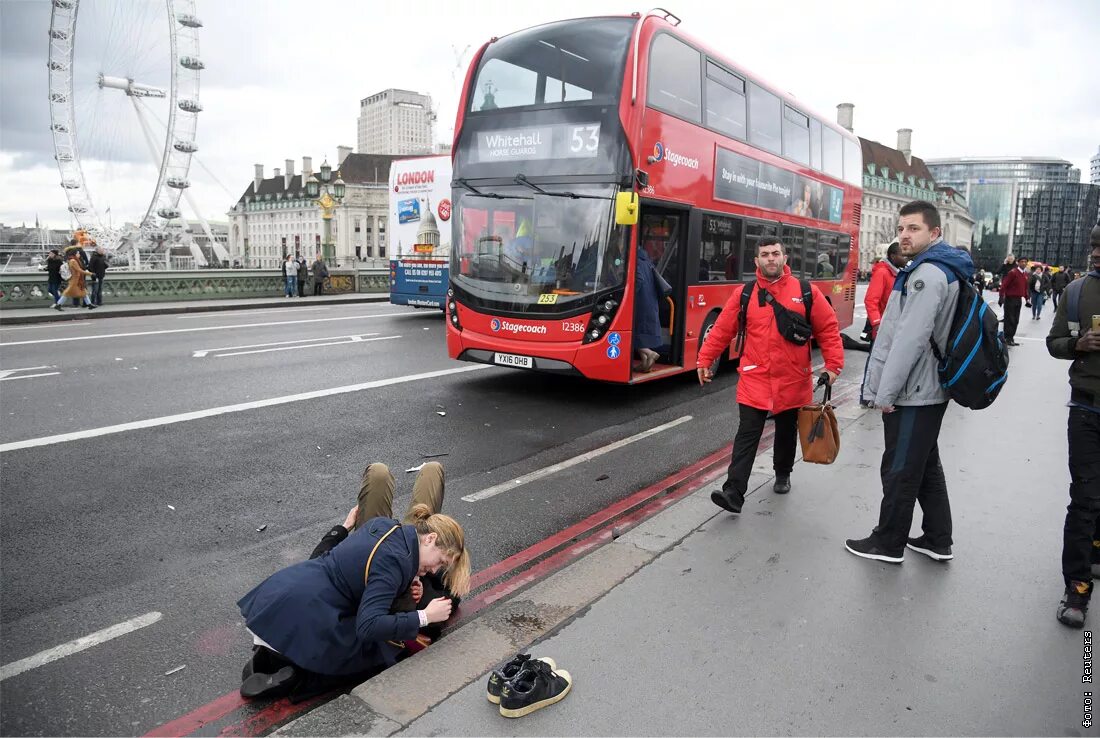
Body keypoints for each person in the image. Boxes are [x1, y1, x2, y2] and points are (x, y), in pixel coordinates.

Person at [237, 461, 470, 700]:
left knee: (384, 472)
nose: (434, 569)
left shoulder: (382, 526)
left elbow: (322, 559)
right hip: (316, 618)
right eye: (440, 561)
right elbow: (368, 626)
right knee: (380, 652)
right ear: (430, 539)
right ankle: (299, 677)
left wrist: (342, 528)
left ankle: (267, 656)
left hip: (281, 598)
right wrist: (426, 616)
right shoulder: (395, 564)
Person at [848, 200, 973, 563]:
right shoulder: (938, 269)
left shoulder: (927, 275)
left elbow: (908, 339)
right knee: (924, 463)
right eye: (901, 228)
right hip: (928, 388)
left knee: (900, 467)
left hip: (914, 390)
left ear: (934, 232)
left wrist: (883, 393)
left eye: (913, 228)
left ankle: (887, 542)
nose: (904, 234)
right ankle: (937, 537)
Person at [698, 236, 843, 512]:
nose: (771, 259)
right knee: (747, 434)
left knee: (786, 432)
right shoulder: (745, 294)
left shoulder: (805, 291)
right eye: (765, 254)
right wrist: (705, 358)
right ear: (757, 261)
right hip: (755, 379)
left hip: (793, 378)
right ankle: (734, 493)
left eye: (776, 253)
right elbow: (722, 330)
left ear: (785, 258)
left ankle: (783, 472)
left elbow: (828, 329)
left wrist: (833, 365)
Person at [1046, 225, 1100, 628]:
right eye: (1094, 244)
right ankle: (1077, 590)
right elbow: (1054, 342)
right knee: (1084, 499)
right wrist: (1075, 345)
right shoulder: (1077, 292)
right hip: (1086, 408)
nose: (1096, 253)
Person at [633, 244, 670, 372]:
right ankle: (645, 363)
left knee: (632, 333)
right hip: (649, 301)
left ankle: (649, 353)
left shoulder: (635, 261)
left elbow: (638, 279)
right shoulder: (646, 261)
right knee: (640, 332)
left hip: (639, 302)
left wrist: (629, 296)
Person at [865, 241, 907, 341]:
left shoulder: (898, 272)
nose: (906, 258)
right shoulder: (882, 272)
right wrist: (877, 323)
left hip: (892, 326)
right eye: (903, 255)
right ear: (893, 256)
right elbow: (870, 300)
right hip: (882, 328)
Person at [55, 244, 96, 311]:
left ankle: (89, 304)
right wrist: (90, 274)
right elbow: (79, 270)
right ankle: (58, 305)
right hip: (75, 280)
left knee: (83, 291)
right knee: (67, 292)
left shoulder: (72, 260)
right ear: (74, 253)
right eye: (77, 253)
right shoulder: (73, 261)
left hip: (77, 279)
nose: (79, 254)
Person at [999, 257, 1029, 346]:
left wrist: (1027, 299)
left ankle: (1011, 338)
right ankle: (1007, 338)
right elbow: (1004, 285)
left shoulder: (1024, 274)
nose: (1024, 263)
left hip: (1018, 299)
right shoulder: (1013, 272)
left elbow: (1025, 288)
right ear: (1018, 263)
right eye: (1022, 262)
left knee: (1016, 320)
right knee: (1009, 319)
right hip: (1010, 299)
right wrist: (1001, 297)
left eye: (1025, 262)